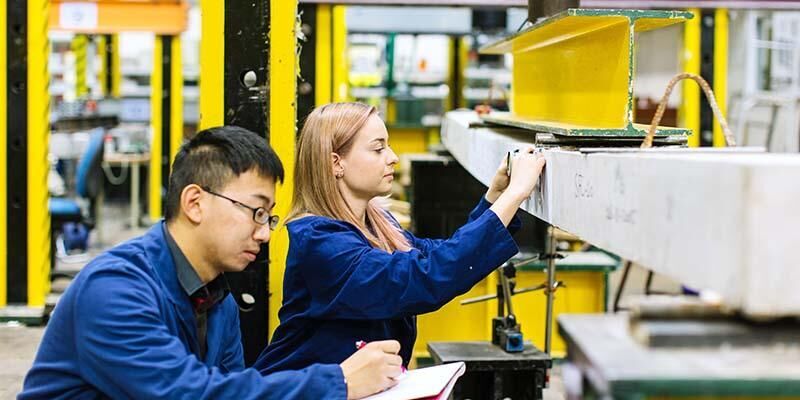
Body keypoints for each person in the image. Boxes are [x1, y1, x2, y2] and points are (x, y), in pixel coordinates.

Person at [20, 126, 403, 400]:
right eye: (255, 211)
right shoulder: (114, 289)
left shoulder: (217, 301)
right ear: (195, 203)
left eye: (268, 217)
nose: (264, 233)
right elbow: (188, 393)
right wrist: (337, 382)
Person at [255, 102, 546, 374]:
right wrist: (515, 193)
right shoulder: (319, 243)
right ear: (335, 163)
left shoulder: (378, 223)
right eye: (378, 149)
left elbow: (436, 255)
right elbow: (424, 277)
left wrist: (494, 197)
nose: (393, 158)